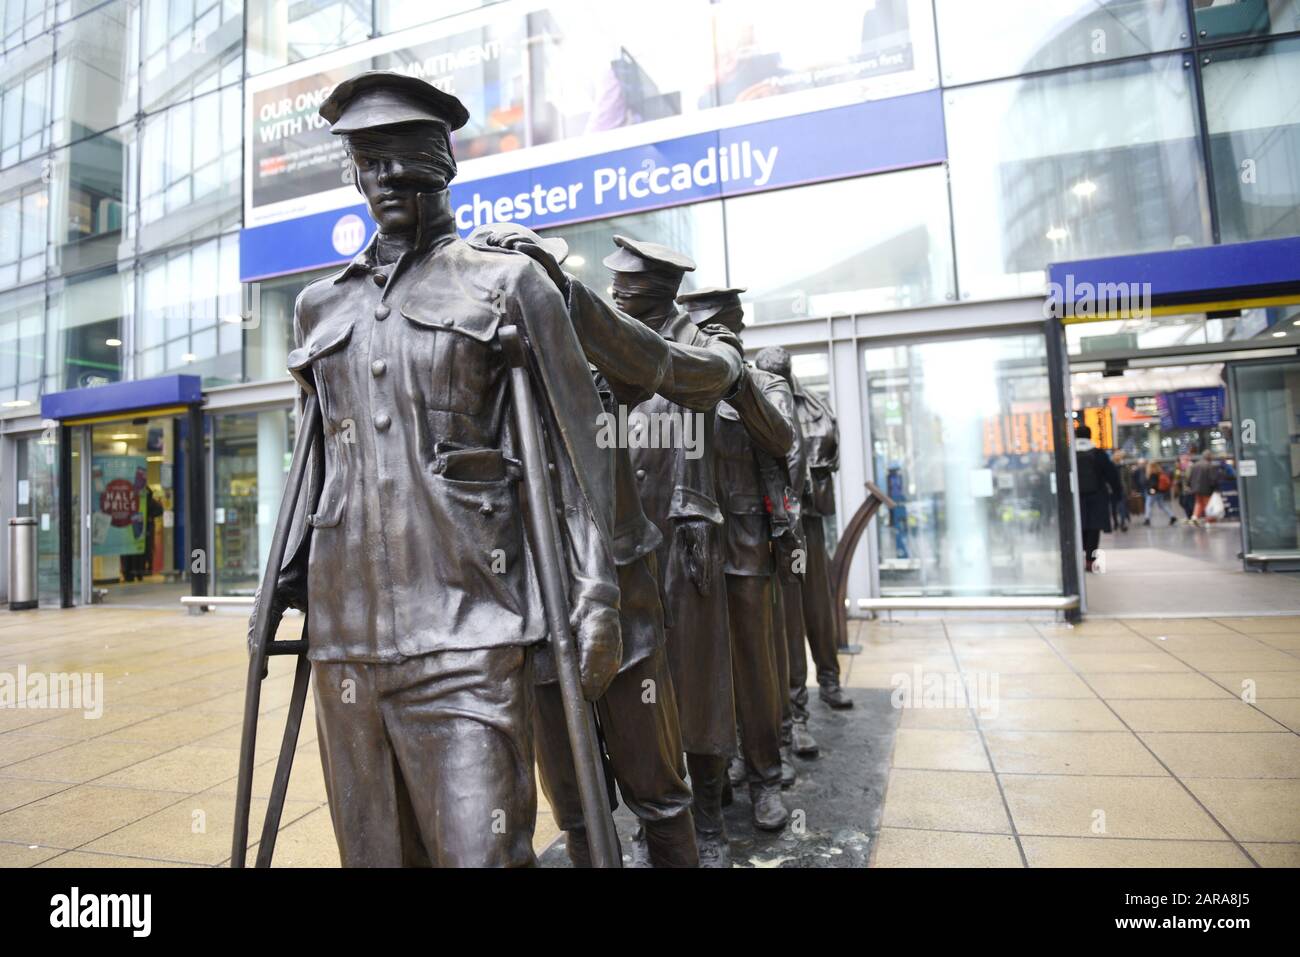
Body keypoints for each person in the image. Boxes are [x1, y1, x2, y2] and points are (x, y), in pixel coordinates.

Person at [253, 71, 624, 867]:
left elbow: (576, 443)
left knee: (480, 852)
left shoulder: (506, 282)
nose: (386, 178)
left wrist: (597, 590)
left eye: (405, 159)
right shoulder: (321, 308)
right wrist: (279, 582)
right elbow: (314, 454)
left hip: (470, 633)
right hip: (346, 637)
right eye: (368, 161)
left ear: (443, 163)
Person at [1074, 423, 1121, 572]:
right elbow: (1112, 475)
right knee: (1094, 530)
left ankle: (1079, 557)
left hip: (1076, 498)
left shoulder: (1070, 454)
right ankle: (1090, 561)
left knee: (1079, 528)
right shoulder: (1099, 454)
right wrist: (1117, 492)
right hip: (1097, 497)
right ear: (1090, 435)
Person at [1187, 450, 1220, 526]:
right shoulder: (1210, 465)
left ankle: (1194, 517)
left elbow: (1190, 477)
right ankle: (1209, 518)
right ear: (1209, 457)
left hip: (1196, 488)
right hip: (1206, 488)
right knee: (1207, 504)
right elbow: (1213, 479)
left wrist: (1190, 485)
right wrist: (1215, 488)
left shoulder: (1195, 465)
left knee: (1198, 502)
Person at [1143, 461, 1176, 526]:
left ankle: (1147, 519)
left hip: (1154, 492)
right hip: (1160, 492)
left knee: (1148, 505)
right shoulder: (1159, 472)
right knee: (1162, 505)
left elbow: (1153, 485)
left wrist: (1151, 492)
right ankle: (1172, 516)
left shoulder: (1152, 474)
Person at [1110, 450, 1131, 532]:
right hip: (1116, 489)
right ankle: (1119, 522)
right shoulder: (1122, 466)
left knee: (1118, 506)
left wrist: (1129, 490)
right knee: (1118, 507)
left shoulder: (1124, 466)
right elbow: (1128, 480)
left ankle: (1120, 523)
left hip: (1118, 489)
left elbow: (1128, 480)